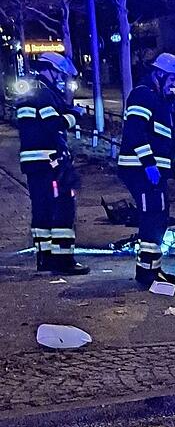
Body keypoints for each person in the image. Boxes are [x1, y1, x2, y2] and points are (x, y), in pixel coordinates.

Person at [16, 52, 89, 275]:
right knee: (63, 207)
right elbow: (54, 124)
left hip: (33, 162)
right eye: (60, 74)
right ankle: (64, 260)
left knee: (42, 209)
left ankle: (45, 258)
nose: (61, 79)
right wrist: (75, 115)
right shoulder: (44, 93)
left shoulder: (30, 93)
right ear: (50, 70)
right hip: (50, 161)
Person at [118, 53, 175, 287]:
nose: (172, 85)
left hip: (152, 170)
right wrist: (149, 163)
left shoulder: (158, 99)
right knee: (152, 217)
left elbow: (162, 137)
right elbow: (135, 131)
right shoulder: (143, 94)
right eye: (171, 79)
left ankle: (153, 268)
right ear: (159, 74)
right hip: (140, 169)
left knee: (159, 217)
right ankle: (146, 272)